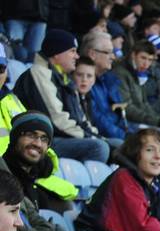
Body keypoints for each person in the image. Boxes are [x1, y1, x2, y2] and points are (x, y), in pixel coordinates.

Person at [0, 111, 100, 231]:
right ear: (15, 138)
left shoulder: (33, 181)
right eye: (31, 135)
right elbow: (7, 223)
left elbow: (32, 215)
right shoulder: (5, 172)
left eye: (44, 139)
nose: (37, 143)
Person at [13, 29, 110, 163]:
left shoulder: (64, 79)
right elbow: (57, 120)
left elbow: (80, 119)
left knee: (116, 145)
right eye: (72, 51)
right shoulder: (39, 73)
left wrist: (95, 135)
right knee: (99, 148)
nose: (77, 56)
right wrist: (89, 137)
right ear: (57, 54)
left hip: (63, 136)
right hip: (41, 140)